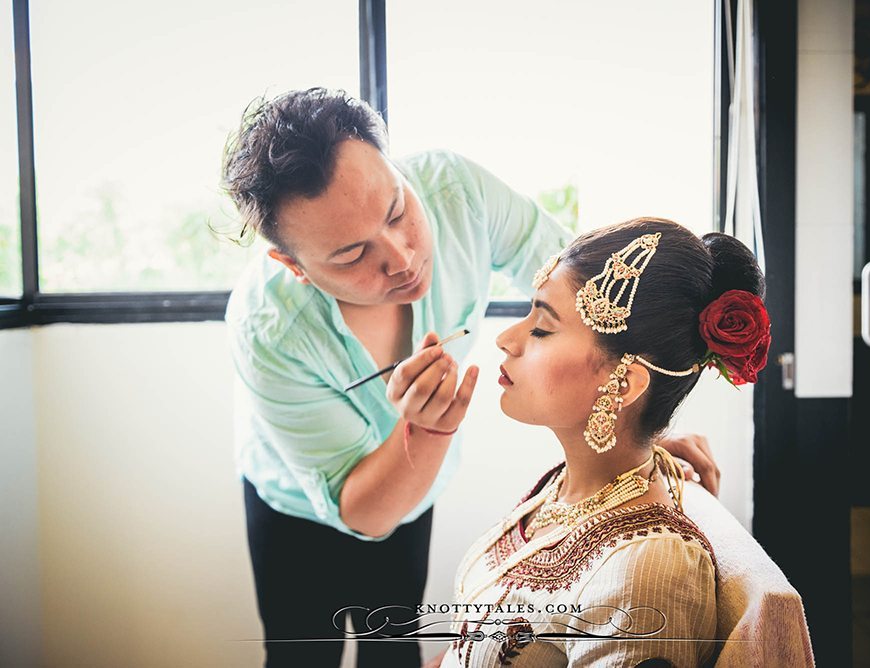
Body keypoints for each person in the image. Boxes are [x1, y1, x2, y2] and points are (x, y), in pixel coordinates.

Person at [221, 87, 722, 668]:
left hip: (414, 489)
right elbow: (364, 512)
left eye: (396, 211)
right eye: (352, 255)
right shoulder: (267, 329)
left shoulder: (458, 193)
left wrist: (643, 429)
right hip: (297, 509)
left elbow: (597, 301)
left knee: (393, 646)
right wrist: (428, 433)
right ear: (294, 266)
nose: (402, 258)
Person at [432, 218, 771, 668]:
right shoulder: (563, 489)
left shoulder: (648, 569)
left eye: (541, 329)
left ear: (624, 383)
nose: (505, 339)